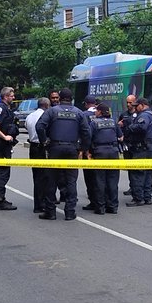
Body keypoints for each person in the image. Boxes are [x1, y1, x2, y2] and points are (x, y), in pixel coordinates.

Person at [36, 88, 90, 221]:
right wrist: (82, 148)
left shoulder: (52, 111)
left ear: (59, 98)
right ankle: (70, 212)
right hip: (72, 149)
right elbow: (87, 133)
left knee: (52, 180)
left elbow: (39, 126)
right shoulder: (78, 113)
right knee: (71, 181)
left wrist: (45, 141)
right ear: (71, 99)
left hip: (55, 148)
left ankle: (50, 212)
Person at [87, 102, 122, 214]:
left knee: (99, 181)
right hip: (113, 152)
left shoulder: (94, 123)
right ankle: (112, 206)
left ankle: (100, 207)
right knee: (112, 180)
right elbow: (120, 137)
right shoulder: (113, 122)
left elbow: (88, 138)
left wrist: (88, 152)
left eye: (97, 110)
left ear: (100, 112)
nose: (95, 112)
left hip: (100, 153)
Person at [0, 87, 19, 210]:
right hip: (0, 144)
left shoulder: (6, 108)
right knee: (2, 171)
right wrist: (4, 137)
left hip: (4, 145)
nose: (13, 97)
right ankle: (0, 200)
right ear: (6, 96)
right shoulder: (0, 108)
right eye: (12, 96)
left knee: (3, 171)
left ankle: (0, 198)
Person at [124, 97, 152, 206]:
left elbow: (142, 127)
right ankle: (147, 197)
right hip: (150, 147)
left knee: (137, 173)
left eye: (136, 106)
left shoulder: (144, 115)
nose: (135, 108)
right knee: (148, 173)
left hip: (142, 148)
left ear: (142, 105)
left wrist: (130, 127)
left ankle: (138, 198)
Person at [26, 97, 52, 215]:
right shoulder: (46, 117)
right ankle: (43, 204)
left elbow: (27, 127)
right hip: (43, 147)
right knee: (45, 177)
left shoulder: (30, 116)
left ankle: (38, 204)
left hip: (33, 147)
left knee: (36, 177)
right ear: (47, 106)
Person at [80, 95, 100, 212]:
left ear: (86, 104)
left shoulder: (84, 115)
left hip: (89, 150)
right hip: (101, 149)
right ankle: (101, 200)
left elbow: (84, 134)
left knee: (89, 177)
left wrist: (84, 150)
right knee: (100, 177)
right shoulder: (101, 113)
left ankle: (93, 201)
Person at [118, 94, 138, 196]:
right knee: (129, 167)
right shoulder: (124, 114)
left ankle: (136, 187)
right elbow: (119, 127)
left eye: (130, 102)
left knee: (136, 168)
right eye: (127, 102)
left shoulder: (138, 114)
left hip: (136, 144)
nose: (128, 104)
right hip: (126, 144)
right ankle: (132, 186)